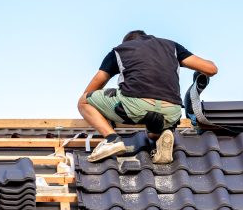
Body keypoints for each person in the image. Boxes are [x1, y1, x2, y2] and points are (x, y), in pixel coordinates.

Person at [78, 30, 218, 163]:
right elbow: (211, 69)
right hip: (172, 112)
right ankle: (164, 134)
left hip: (136, 105)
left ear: (127, 42)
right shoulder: (171, 46)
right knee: (152, 133)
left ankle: (112, 139)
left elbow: (92, 89)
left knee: (84, 102)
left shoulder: (120, 50)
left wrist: (101, 113)